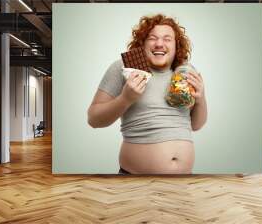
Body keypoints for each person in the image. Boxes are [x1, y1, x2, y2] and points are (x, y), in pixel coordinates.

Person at [87, 14, 207, 174]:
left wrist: (201, 99)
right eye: (152, 38)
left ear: (176, 45)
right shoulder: (125, 68)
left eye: (167, 39)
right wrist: (125, 99)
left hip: (182, 180)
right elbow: (94, 119)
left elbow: (195, 125)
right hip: (135, 180)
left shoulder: (185, 72)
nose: (159, 44)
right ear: (142, 43)